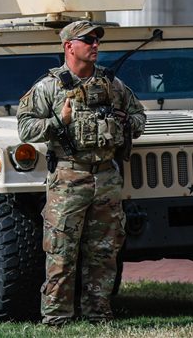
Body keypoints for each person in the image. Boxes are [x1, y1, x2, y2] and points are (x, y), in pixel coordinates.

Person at [17, 20, 146, 326]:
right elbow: (24, 127)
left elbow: (140, 117)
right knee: (61, 251)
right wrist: (58, 122)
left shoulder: (113, 85)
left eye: (97, 40)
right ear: (69, 46)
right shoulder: (49, 87)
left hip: (106, 177)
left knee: (104, 251)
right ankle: (57, 317)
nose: (95, 45)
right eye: (88, 40)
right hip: (68, 178)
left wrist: (125, 123)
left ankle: (98, 314)